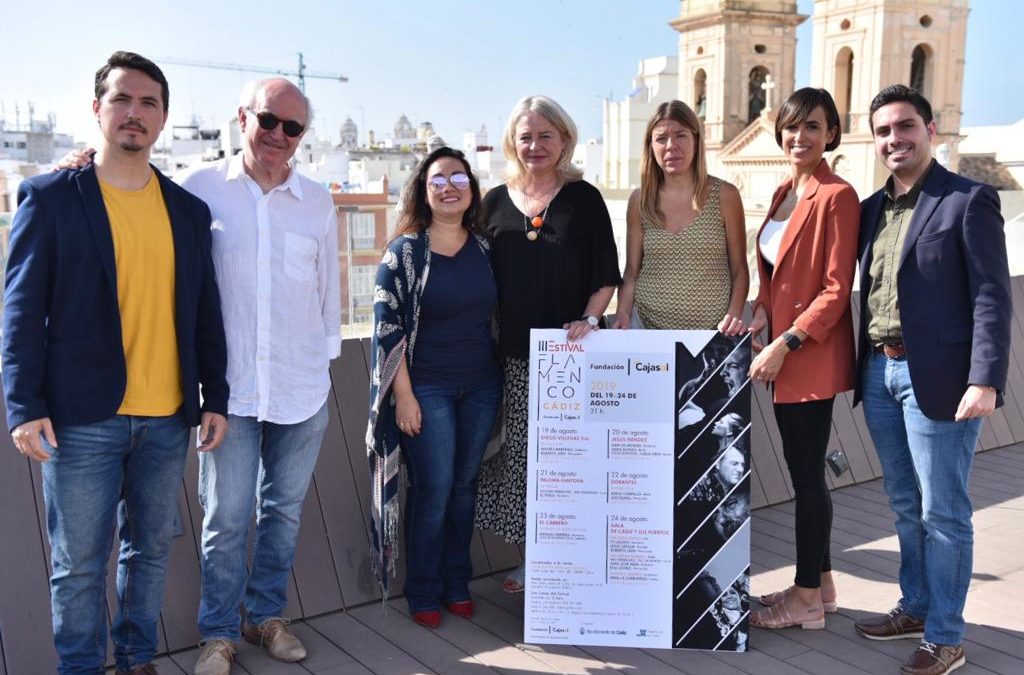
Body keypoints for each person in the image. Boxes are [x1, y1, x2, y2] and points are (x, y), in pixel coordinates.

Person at [1, 51, 229, 675]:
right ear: (97, 109)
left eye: (148, 102)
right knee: (77, 565)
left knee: (150, 551)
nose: (135, 112)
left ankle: (135, 661)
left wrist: (216, 397)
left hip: (166, 417)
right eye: (122, 99)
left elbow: (206, 313)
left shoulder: (188, 211)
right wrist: (24, 407)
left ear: (163, 119)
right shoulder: (49, 198)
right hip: (80, 420)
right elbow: (19, 313)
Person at [177, 79, 341, 675]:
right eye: (268, 120)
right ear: (243, 117)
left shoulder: (318, 200)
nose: (278, 135)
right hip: (228, 390)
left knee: (284, 510)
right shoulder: (196, 189)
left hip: (302, 386)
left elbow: (329, 287)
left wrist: (325, 360)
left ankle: (265, 615)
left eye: (292, 127)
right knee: (225, 516)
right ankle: (217, 634)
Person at [852, 85, 1011, 675]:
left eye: (905, 127)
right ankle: (916, 607)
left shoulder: (969, 199)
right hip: (877, 371)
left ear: (931, 129)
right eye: (884, 131)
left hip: (939, 378)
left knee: (944, 512)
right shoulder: (870, 209)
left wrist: (986, 378)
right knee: (902, 504)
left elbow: (993, 294)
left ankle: (946, 636)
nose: (895, 139)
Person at [474, 95, 621, 592]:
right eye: (525, 136)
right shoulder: (492, 202)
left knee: (568, 462)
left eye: (545, 135)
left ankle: (566, 563)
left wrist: (589, 318)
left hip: (570, 357)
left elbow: (606, 275)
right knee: (519, 461)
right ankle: (536, 558)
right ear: (512, 144)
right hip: (509, 357)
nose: (535, 145)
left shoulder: (586, 199)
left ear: (564, 140)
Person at [366, 146, 501, 629]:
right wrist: (404, 395)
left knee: (464, 488)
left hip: (482, 387)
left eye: (458, 178)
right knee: (435, 489)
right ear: (424, 192)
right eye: (438, 179)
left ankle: (455, 581)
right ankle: (421, 588)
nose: (448, 187)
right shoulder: (404, 251)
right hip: (429, 391)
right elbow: (386, 326)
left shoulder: (486, 247)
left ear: (472, 189)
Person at [746, 87, 859, 631]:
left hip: (808, 357)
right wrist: (758, 315)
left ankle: (806, 599)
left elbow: (837, 291)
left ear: (831, 133)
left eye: (813, 126)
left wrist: (783, 342)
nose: (800, 136)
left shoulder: (838, 195)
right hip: (783, 350)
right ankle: (824, 585)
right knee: (805, 472)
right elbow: (775, 275)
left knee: (808, 478)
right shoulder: (784, 191)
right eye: (792, 127)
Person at [612, 100, 747, 334]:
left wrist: (733, 315)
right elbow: (632, 272)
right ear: (651, 146)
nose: (671, 146)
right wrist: (623, 313)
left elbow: (739, 270)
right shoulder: (639, 201)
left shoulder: (725, 196)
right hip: (647, 332)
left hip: (712, 337)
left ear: (696, 140)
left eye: (681, 135)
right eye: (661, 138)